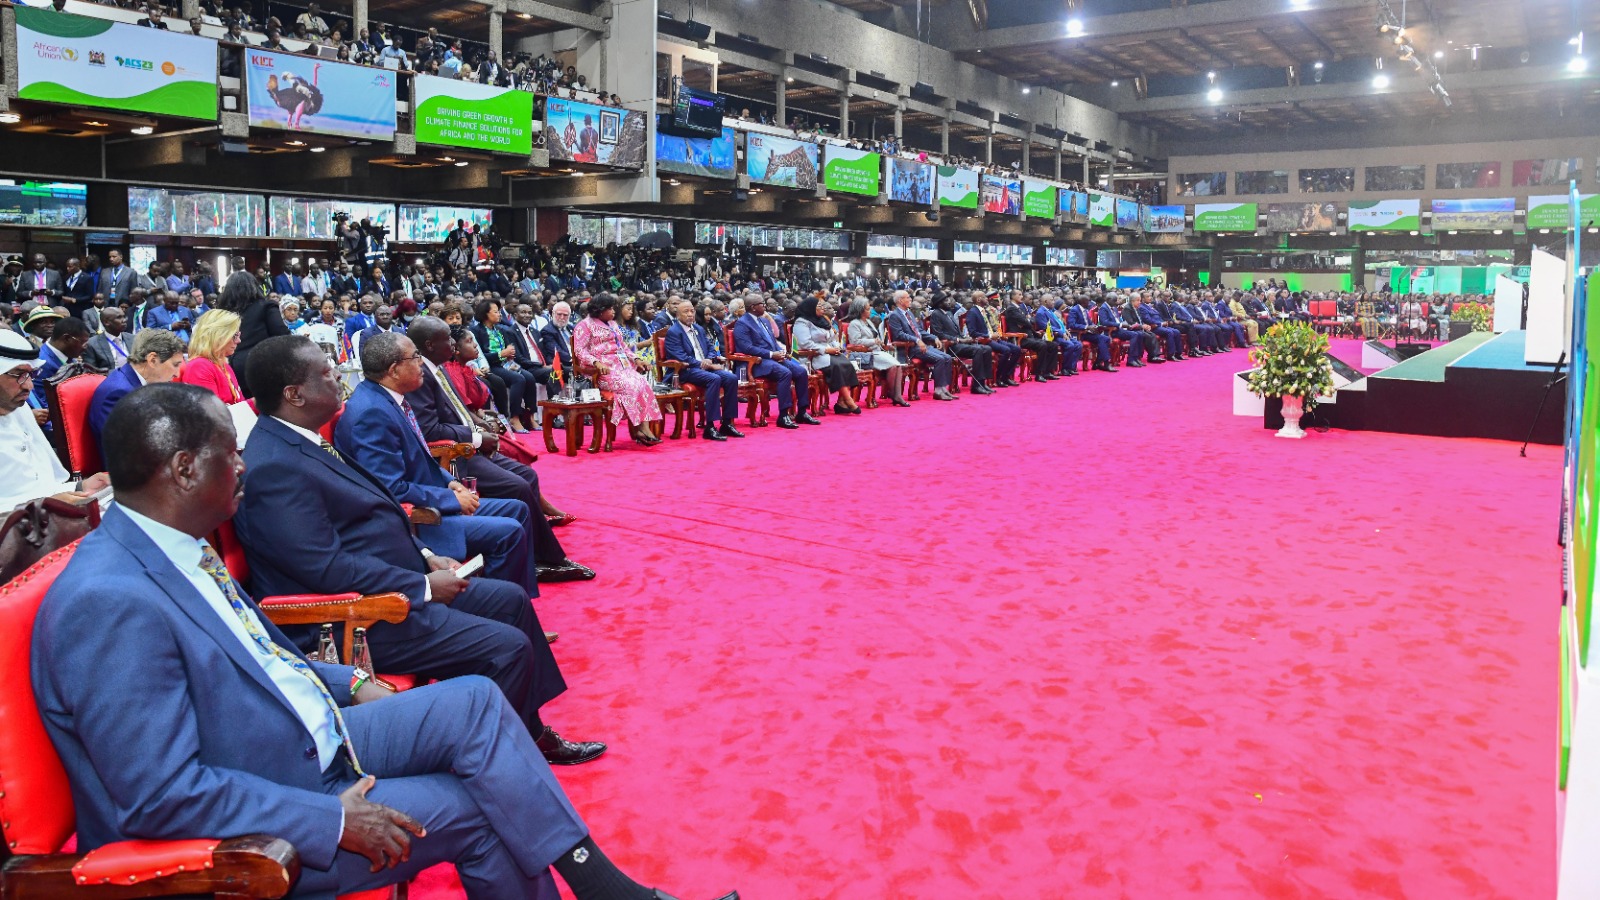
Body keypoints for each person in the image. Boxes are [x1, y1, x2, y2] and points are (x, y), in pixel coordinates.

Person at [36, 382, 735, 900]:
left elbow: (256, 658)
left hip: (298, 733)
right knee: (475, 810)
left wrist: (349, 682)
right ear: (185, 469)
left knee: (476, 704)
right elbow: (158, 797)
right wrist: (327, 820)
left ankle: (603, 885)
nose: (243, 467)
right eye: (230, 454)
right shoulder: (108, 602)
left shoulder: (171, 544)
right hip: (256, 801)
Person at [237, 336, 600, 764]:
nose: (338, 377)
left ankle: (528, 729)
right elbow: (324, 567)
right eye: (326, 372)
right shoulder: (275, 465)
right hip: (357, 616)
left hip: (395, 577)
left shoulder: (303, 440)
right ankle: (497, 758)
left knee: (511, 600)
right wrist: (423, 586)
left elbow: (377, 513)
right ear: (294, 394)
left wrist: (427, 557)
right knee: (508, 648)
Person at [335, 333, 540, 595]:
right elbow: (389, 488)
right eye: (415, 356)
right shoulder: (372, 414)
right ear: (394, 370)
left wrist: (452, 482)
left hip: (433, 495)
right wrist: (451, 499)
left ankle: (518, 606)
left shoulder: (387, 396)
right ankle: (503, 606)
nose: (421, 362)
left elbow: (421, 460)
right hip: (419, 519)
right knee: (508, 531)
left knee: (517, 509)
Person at [406, 318, 591, 581]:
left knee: (528, 476)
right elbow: (431, 430)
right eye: (447, 338)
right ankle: (548, 559)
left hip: (470, 443)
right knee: (517, 486)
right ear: (429, 344)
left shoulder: (439, 368)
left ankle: (538, 552)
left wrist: (480, 422)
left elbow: (460, 410)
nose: (452, 343)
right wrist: (477, 437)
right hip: (458, 455)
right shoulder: (421, 376)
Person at [0, 330, 111, 510]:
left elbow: (40, 484)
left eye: (31, 375)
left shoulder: (19, 410)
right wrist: (44, 505)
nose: (28, 386)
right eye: (18, 375)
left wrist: (80, 487)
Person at [571, 294, 663, 447]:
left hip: (622, 367)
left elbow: (624, 348)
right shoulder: (584, 325)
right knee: (631, 385)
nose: (614, 311)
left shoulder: (613, 324)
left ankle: (643, 428)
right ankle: (639, 429)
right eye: (610, 308)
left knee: (643, 383)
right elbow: (579, 351)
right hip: (602, 371)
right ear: (600, 310)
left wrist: (636, 359)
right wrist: (596, 362)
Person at [88, 327, 187, 455]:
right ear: (152, 360)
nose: (177, 373)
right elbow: (127, 452)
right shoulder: (118, 394)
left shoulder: (143, 382)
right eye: (175, 365)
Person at [662, 298, 742, 441]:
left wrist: (710, 360)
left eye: (692, 311)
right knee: (714, 378)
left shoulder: (698, 328)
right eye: (685, 312)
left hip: (704, 367)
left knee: (731, 378)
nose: (690, 314)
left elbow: (711, 348)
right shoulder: (673, 332)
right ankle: (710, 426)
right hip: (686, 371)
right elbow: (681, 357)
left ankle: (727, 423)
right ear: (678, 315)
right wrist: (707, 364)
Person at [734, 296, 817, 429]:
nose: (765, 306)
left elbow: (772, 342)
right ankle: (783, 415)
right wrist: (772, 354)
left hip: (772, 359)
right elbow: (747, 348)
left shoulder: (764, 321)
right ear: (753, 307)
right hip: (756, 363)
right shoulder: (742, 324)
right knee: (785, 373)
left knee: (801, 371)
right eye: (762, 304)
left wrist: (781, 352)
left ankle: (802, 412)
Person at [792, 296, 862, 414]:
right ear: (811, 308)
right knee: (838, 366)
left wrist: (837, 346)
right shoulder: (801, 322)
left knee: (848, 364)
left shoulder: (823, 320)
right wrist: (826, 350)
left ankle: (841, 402)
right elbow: (804, 343)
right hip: (813, 355)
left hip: (830, 352)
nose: (822, 308)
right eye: (819, 306)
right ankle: (848, 399)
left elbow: (831, 338)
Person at [886, 290, 956, 401]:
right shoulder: (894, 315)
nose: (910, 299)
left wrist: (934, 338)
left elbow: (919, 330)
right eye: (908, 298)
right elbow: (899, 334)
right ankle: (938, 391)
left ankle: (943, 388)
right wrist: (917, 340)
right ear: (900, 300)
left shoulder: (909, 313)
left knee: (947, 357)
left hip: (921, 346)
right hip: (910, 349)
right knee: (940, 359)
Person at [845, 297, 907, 406]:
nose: (870, 311)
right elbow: (855, 341)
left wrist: (885, 344)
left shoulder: (868, 321)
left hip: (877, 351)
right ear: (860, 310)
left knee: (896, 366)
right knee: (894, 364)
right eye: (868, 309)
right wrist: (872, 341)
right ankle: (894, 394)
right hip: (866, 353)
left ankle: (897, 395)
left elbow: (877, 338)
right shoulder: (854, 323)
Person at [929, 294, 995, 393]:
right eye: (945, 300)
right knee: (978, 350)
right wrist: (959, 340)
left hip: (960, 343)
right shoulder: (936, 314)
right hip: (950, 346)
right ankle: (976, 386)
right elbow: (938, 334)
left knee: (987, 349)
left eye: (948, 300)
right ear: (939, 303)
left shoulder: (949, 313)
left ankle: (982, 382)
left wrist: (965, 338)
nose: (949, 302)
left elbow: (958, 332)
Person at [178, 309, 247, 405]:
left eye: (238, 334)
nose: (238, 340)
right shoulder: (199, 367)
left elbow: (240, 405)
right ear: (217, 336)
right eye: (234, 335)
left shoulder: (223, 365)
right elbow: (213, 415)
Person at [31, 316, 90, 408]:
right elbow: (44, 405)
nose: (85, 347)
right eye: (82, 342)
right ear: (67, 339)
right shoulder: (41, 363)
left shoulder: (69, 355)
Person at [963, 292, 1020, 387]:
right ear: (978, 300)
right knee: (1006, 350)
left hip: (992, 338)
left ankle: (1005, 376)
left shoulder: (984, 311)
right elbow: (972, 332)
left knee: (1016, 349)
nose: (987, 299)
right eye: (985, 297)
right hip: (984, 341)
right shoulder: (972, 312)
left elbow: (988, 326)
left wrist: (995, 334)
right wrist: (989, 335)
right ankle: (998, 377)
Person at [83, 307, 131, 371]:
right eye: (119, 317)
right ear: (106, 322)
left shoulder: (133, 338)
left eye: (124, 316)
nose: (124, 320)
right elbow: (91, 373)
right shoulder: (91, 344)